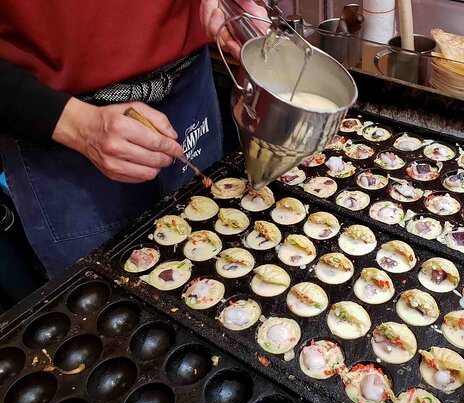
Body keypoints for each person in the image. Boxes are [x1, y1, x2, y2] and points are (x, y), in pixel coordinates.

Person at [0, 0, 268, 278]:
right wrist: (72, 123)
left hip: (189, 83)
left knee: (217, 258)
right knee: (109, 291)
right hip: (59, 122)